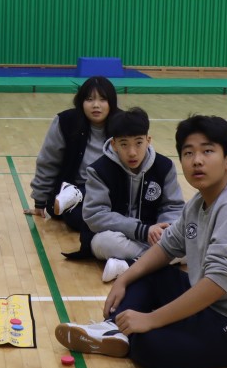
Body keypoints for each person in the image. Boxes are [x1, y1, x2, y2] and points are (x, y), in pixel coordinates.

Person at [55, 116, 227, 368]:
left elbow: (216, 284)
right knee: (143, 272)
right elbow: (166, 247)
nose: (197, 160)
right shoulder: (199, 203)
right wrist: (124, 279)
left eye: (207, 151)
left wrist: (150, 319)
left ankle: (124, 332)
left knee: (152, 348)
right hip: (215, 307)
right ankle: (114, 329)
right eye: (188, 153)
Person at [79, 107, 184, 282]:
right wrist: (141, 230)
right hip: (118, 237)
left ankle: (129, 265)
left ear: (148, 140)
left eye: (138, 143)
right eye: (124, 144)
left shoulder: (165, 166)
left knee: (191, 238)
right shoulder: (98, 170)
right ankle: (157, 261)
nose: (132, 152)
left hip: (155, 237)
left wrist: (164, 231)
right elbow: (95, 215)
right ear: (114, 144)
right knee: (102, 243)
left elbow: (173, 207)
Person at [25, 77, 120, 233]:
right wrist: (40, 200)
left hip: (113, 191)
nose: (96, 105)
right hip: (78, 192)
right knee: (75, 217)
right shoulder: (66, 122)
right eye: (89, 99)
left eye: (103, 100)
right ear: (81, 102)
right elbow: (48, 162)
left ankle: (82, 198)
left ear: (112, 102)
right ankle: (77, 195)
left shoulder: (123, 123)